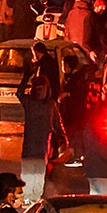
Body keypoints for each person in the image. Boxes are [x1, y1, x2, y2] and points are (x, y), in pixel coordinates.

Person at [18, 75, 66, 203]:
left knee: (38, 176)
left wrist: (63, 138)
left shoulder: (50, 105)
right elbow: (19, 93)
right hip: (31, 147)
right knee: (29, 175)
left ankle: (35, 199)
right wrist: (27, 74)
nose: (39, 91)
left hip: (42, 147)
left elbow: (57, 123)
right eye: (36, 88)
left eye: (41, 88)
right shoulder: (30, 102)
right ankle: (29, 199)